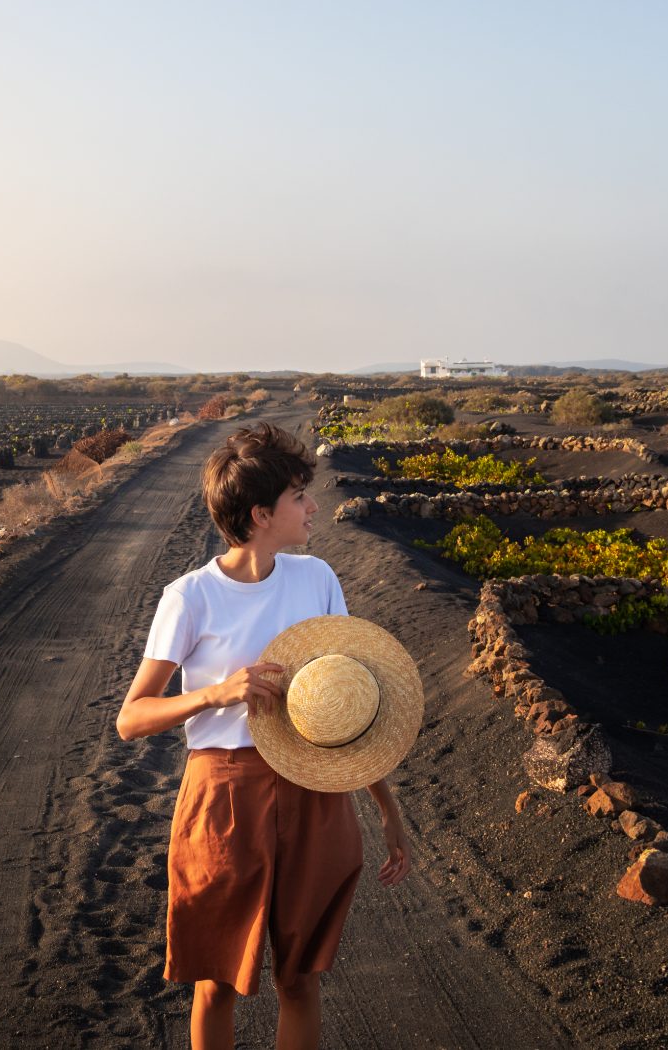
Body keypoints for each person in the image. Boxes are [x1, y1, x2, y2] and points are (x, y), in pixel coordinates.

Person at [115, 421, 413, 1050]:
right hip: (222, 797)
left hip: (316, 788)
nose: (313, 508)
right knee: (216, 980)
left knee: (300, 980)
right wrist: (216, 693)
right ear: (259, 514)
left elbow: (349, 707)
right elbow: (131, 717)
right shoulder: (190, 596)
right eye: (300, 496)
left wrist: (386, 805)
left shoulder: (317, 579)